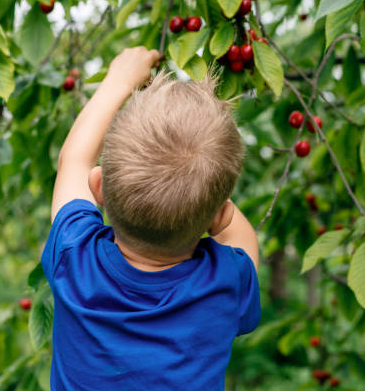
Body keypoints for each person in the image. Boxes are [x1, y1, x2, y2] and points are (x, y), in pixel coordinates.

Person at [41, 46, 261, 390]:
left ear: (98, 186)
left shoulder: (74, 256)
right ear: (220, 215)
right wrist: (206, 196)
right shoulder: (225, 283)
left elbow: (74, 160)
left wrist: (119, 79)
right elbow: (243, 239)